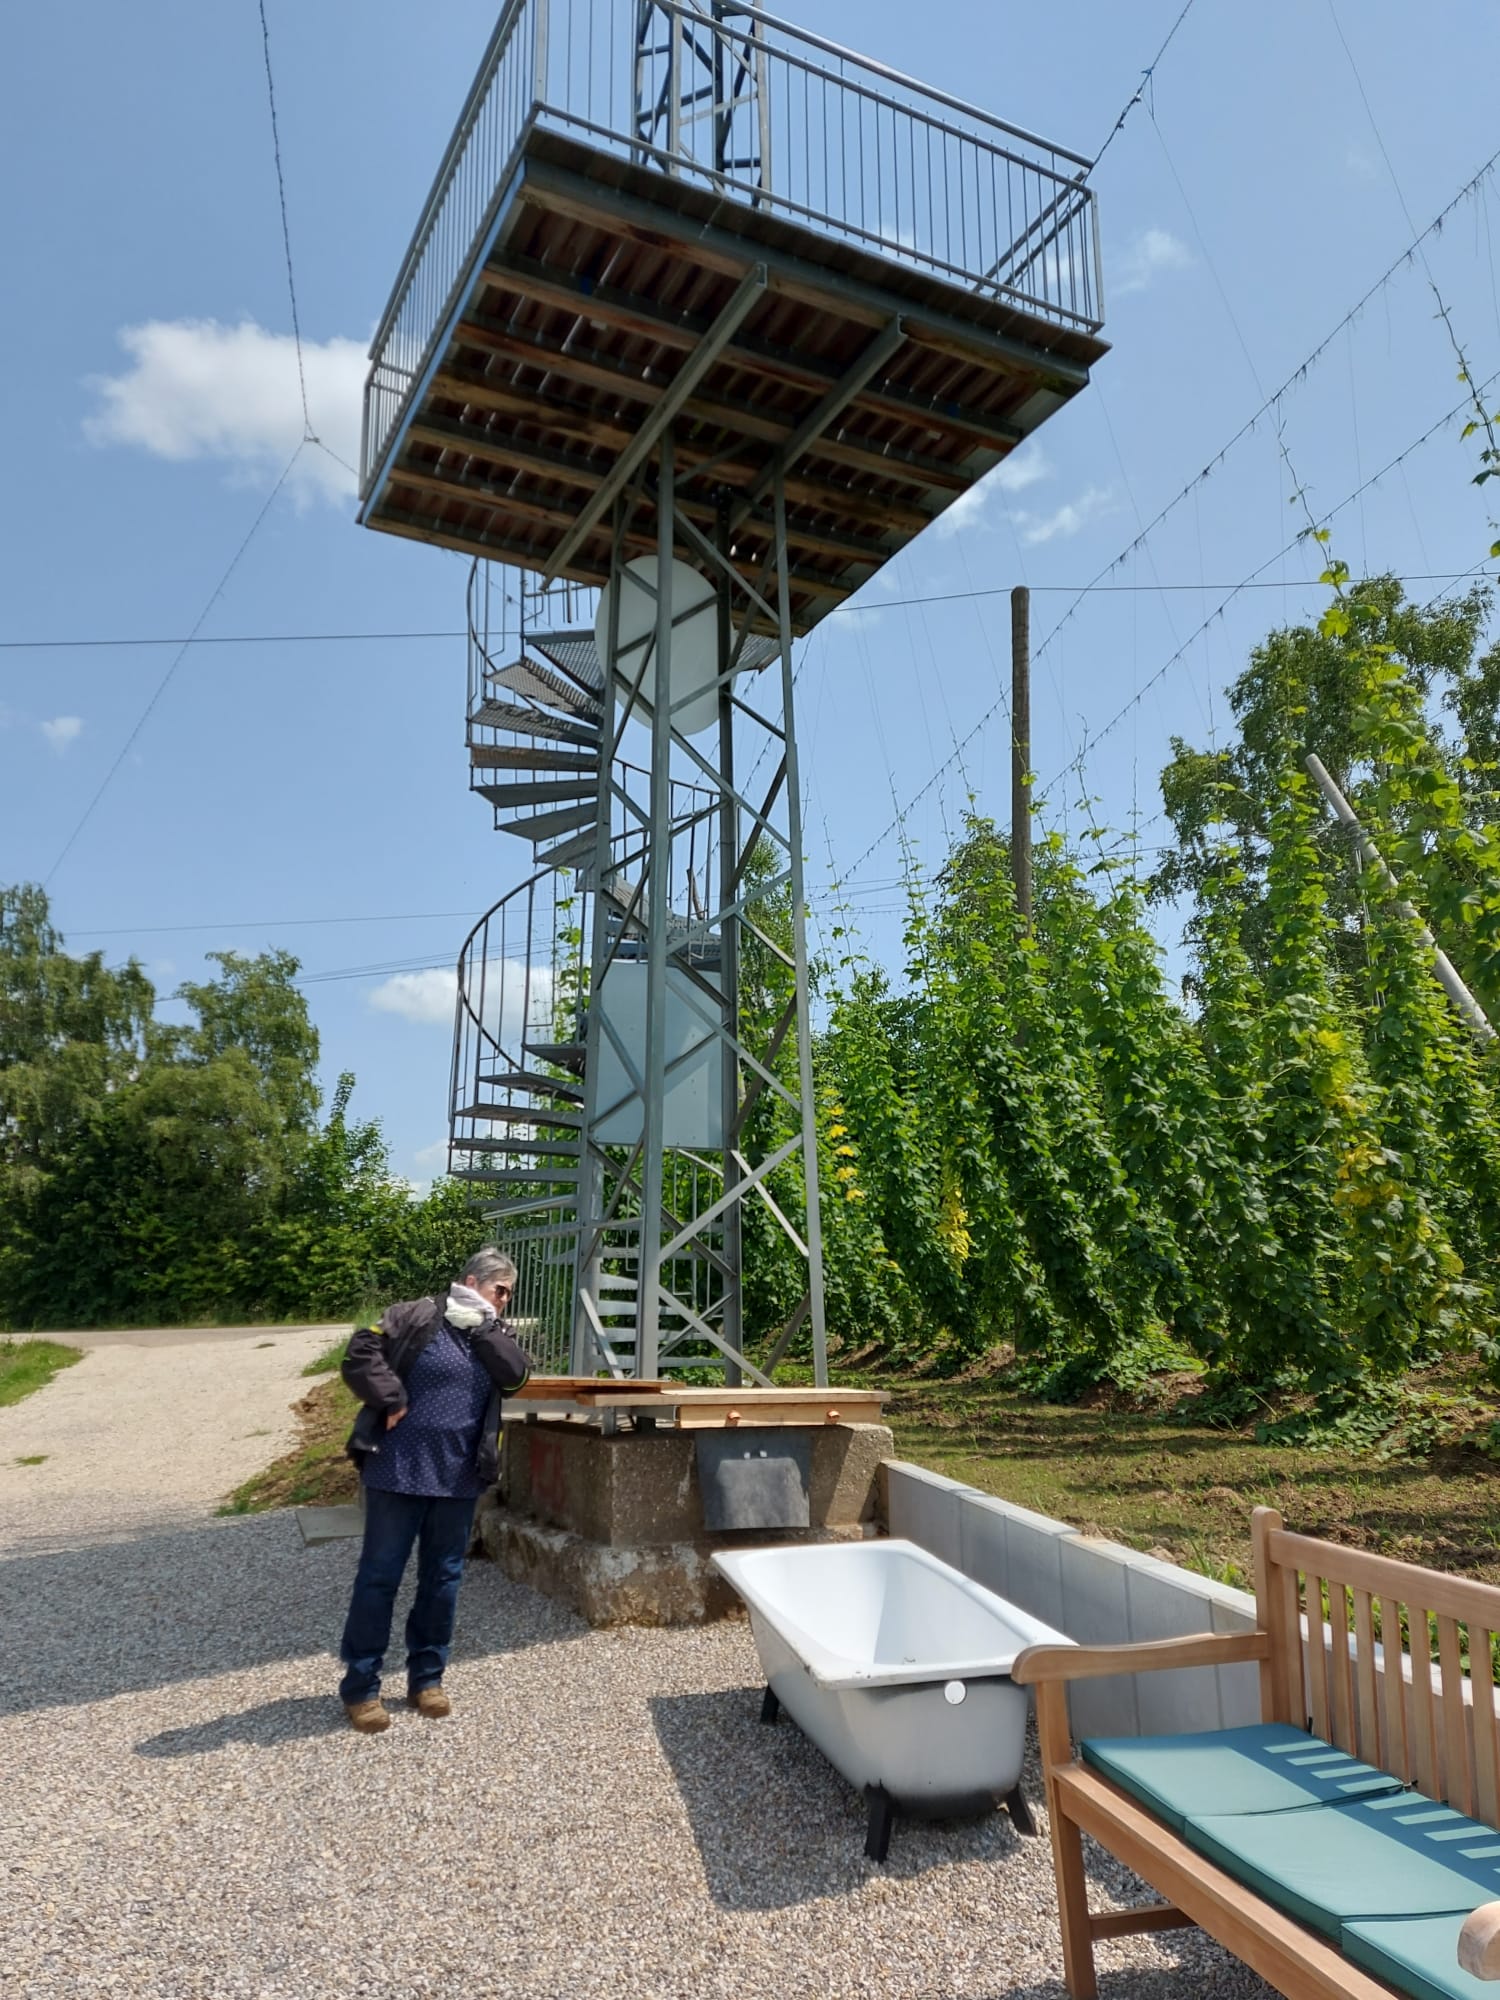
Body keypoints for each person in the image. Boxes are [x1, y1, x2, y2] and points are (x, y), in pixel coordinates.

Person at [336, 1246, 531, 1733]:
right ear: (472, 1281)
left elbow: (516, 1377)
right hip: (396, 1471)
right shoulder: (416, 1316)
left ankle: (427, 1680)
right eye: (499, 1290)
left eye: (509, 1293)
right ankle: (361, 1688)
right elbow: (360, 1353)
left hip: (458, 1476)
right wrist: (390, 1397)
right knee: (379, 1578)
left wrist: (484, 1328)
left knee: (442, 1581)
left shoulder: (494, 1332)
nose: (504, 1300)